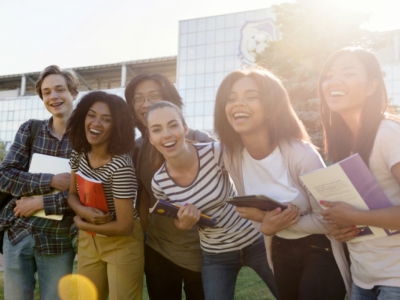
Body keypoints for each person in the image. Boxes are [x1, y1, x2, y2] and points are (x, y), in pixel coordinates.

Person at [213, 68, 351, 300]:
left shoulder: (301, 154)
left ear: (270, 107)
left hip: (320, 249)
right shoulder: (233, 155)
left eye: (250, 96)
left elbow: (330, 221)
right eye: (231, 98)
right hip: (279, 249)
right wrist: (267, 227)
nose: (238, 104)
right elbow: (253, 211)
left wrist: (270, 225)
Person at [147, 100, 279, 300]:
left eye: (173, 125)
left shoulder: (215, 152)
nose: (166, 134)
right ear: (150, 138)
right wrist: (184, 222)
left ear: (184, 128)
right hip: (217, 255)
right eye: (157, 129)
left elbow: (251, 177)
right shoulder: (159, 182)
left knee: (289, 292)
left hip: (255, 240)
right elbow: (178, 221)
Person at [318, 47, 400, 300]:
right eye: (329, 75)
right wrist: (344, 226)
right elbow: (366, 214)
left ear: (372, 86)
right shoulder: (342, 143)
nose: (334, 81)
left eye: (348, 72)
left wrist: (355, 214)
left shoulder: (389, 135)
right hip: (362, 279)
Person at [125, 74, 213, 300]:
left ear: (171, 100)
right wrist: (141, 240)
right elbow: (143, 197)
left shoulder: (201, 140)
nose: (145, 104)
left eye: (153, 96)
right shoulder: (136, 149)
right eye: (138, 98)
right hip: (159, 251)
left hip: (204, 252)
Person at [0, 65, 79, 300]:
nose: (53, 97)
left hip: (58, 240)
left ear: (73, 93)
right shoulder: (30, 129)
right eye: (46, 92)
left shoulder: (87, 139)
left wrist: (39, 202)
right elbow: (5, 176)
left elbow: (87, 195)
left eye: (59, 89)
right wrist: (52, 180)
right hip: (18, 233)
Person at [67, 91, 144, 300]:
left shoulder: (121, 166)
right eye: (91, 115)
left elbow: (125, 226)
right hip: (89, 242)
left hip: (121, 243)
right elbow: (72, 195)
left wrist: (82, 224)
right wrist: (81, 211)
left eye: (106, 119)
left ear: (117, 127)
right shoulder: (78, 153)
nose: (96, 123)